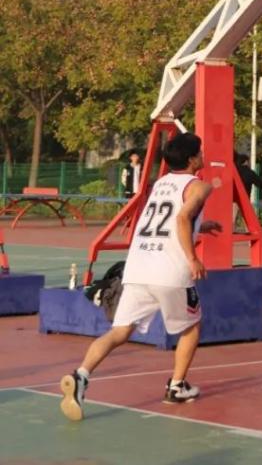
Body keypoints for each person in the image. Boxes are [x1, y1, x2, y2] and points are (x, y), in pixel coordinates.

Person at [59, 133, 219, 421]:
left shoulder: (160, 184)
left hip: (138, 267)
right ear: (192, 158)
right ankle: (177, 386)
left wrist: (201, 226)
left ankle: (81, 375)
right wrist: (193, 258)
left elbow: (167, 219)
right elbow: (181, 218)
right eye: (201, 151)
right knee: (192, 326)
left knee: (120, 332)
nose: (203, 155)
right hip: (170, 271)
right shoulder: (200, 186)